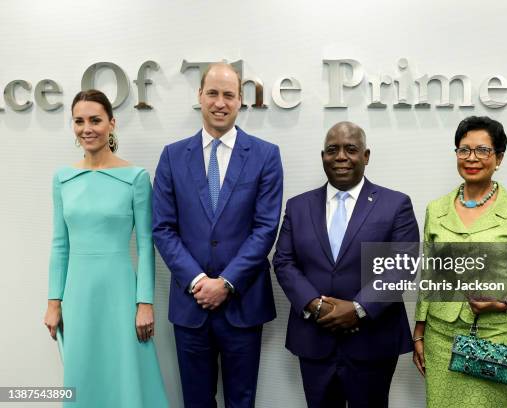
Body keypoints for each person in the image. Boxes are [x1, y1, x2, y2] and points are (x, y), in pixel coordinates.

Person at [152, 62, 283, 408]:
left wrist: (225, 282)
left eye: (229, 94)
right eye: (212, 93)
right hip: (190, 304)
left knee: (242, 400)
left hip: (243, 302)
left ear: (241, 100)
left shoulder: (266, 155)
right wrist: (198, 281)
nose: (220, 102)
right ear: (199, 96)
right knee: (195, 401)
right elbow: (163, 228)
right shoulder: (172, 156)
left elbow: (265, 228)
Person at [273, 121, 419, 408]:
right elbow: (283, 261)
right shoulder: (298, 206)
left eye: (350, 149)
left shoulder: (395, 204)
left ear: (365, 156)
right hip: (314, 340)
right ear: (323, 156)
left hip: (372, 342)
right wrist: (315, 304)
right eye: (332, 150)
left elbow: (402, 266)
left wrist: (358, 308)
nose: (341, 156)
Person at [43, 90, 168, 407]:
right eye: (79, 121)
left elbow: (145, 244)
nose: (87, 128)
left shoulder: (135, 178)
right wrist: (54, 302)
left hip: (120, 294)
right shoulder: (63, 179)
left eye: (95, 120)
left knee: (124, 372)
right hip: (78, 295)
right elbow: (60, 245)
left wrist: (145, 303)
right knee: (83, 372)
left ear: (112, 124)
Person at [412, 116, 507, 407]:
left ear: (498, 158)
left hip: (493, 337)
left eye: (482, 150)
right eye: (464, 150)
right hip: (440, 335)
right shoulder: (435, 210)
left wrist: (504, 303)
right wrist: (419, 332)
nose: (471, 158)